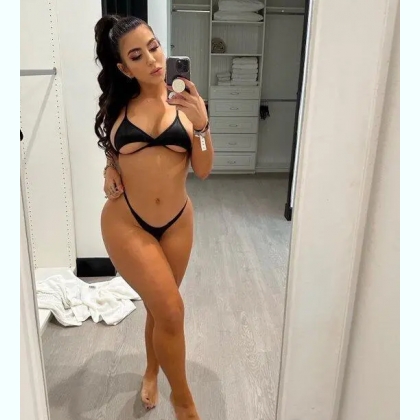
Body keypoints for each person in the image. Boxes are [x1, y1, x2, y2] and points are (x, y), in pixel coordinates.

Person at [94, 14, 213, 420]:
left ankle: (151, 370)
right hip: (127, 222)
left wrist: (202, 125)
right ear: (125, 68)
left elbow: (203, 169)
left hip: (177, 222)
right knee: (171, 310)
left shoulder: (188, 104)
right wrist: (110, 168)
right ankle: (184, 402)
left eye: (154, 46)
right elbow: (113, 148)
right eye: (137, 56)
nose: (152, 59)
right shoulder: (119, 107)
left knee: (160, 307)